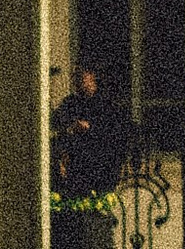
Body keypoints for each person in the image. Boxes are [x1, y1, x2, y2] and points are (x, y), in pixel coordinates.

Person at [51, 62, 129, 193]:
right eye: (74, 77)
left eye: (80, 76)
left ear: (91, 77)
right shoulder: (71, 102)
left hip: (99, 162)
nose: (75, 80)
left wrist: (90, 128)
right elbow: (57, 121)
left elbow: (114, 131)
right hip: (75, 162)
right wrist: (71, 126)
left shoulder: (106, 102)